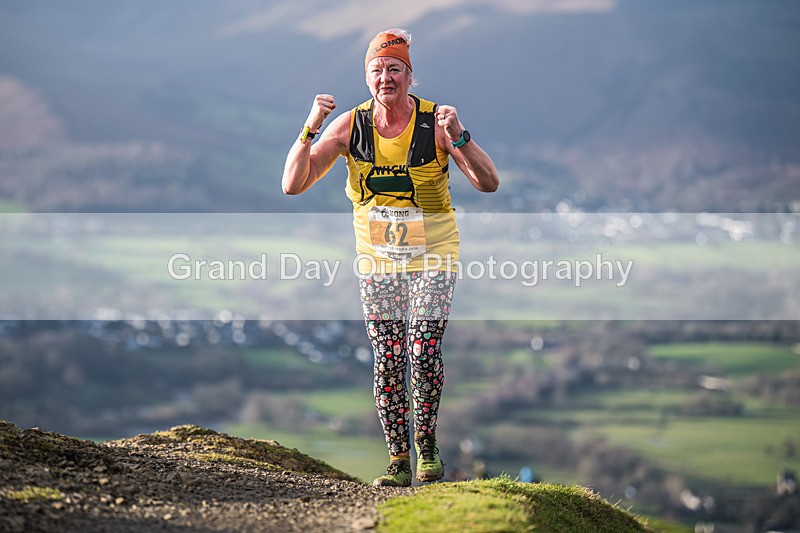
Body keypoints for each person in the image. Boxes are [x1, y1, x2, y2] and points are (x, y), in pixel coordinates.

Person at [282, 28, 498, 487]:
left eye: (395, 69)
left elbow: (488, 182)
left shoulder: (435, 123)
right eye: (377, 70)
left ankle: (427, 447)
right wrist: (310, 127)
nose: (386, 78)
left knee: (423, 348)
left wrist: (459, 136)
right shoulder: (350, 126)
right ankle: (398, 460)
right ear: (367, 78)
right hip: (377, 260)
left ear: (410, 76)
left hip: (433, 255)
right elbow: (293, 184)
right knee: (388, 358)